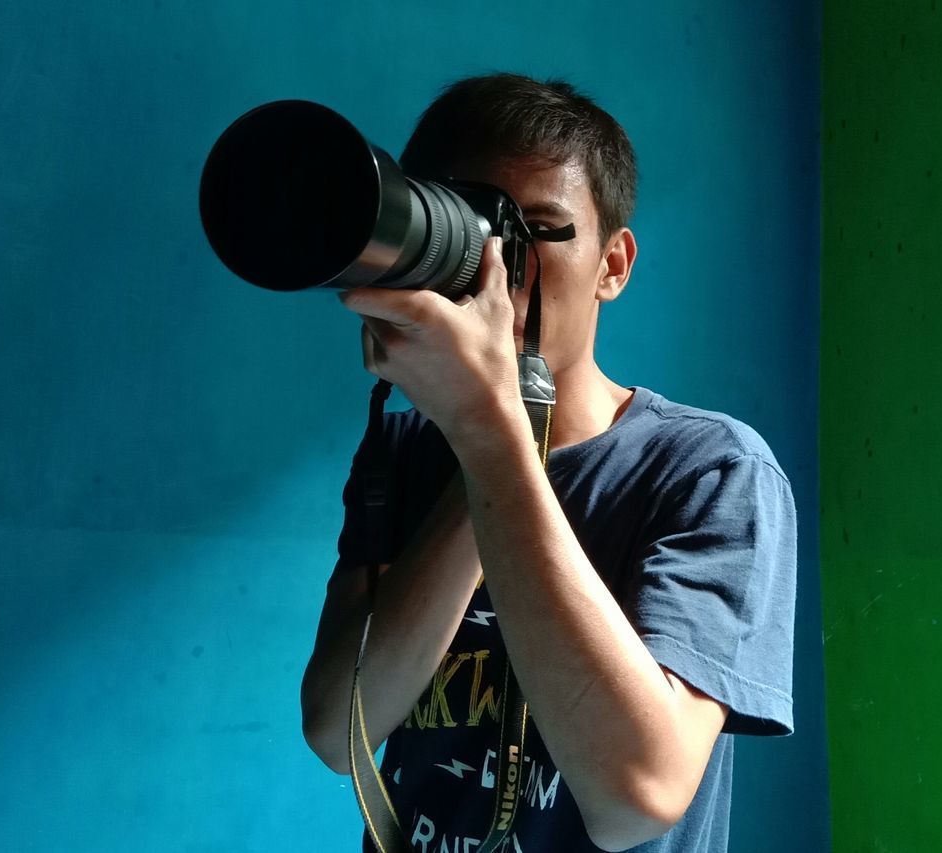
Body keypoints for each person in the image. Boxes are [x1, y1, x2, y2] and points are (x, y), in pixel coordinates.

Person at [301, 73, 797, 852]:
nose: (504, 268)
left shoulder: (711, 470)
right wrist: (483, 431)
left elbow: (639, 794)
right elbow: (341, 729)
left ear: (614, 264)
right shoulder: (410, 454)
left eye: (541, 228)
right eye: (475, 232)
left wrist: (487, 426)